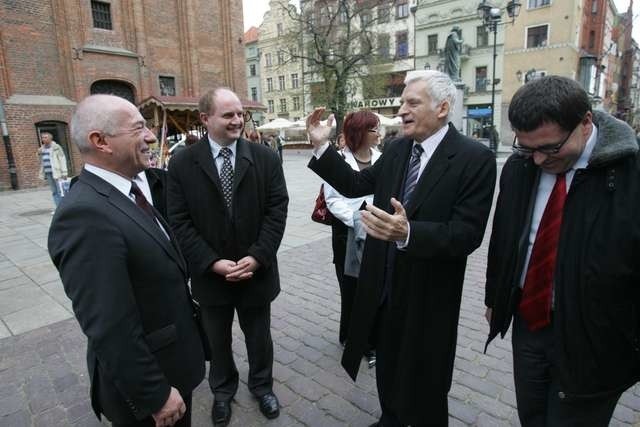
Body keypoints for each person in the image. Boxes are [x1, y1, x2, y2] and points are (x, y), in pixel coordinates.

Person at [307, 70, 496, 426]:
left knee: (427, 377)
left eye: (412, 102)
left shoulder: (475, 158)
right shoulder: (397, 149)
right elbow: (354, 183)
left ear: (442, 107)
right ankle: (390, 417)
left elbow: (467, 234)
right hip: (383, 283)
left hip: (429, 291)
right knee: (388, 364)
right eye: (401, 102)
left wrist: (409, 233)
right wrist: (321, 146)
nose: (402, 110)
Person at [484, 76, 640, 426]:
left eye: (550, 148)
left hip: (595, 338)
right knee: (533, 417)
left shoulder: (630, 172)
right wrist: (495, 296)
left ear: (585, 123)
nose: (538, 159)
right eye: (526, 147)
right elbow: (506, 237)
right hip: (529, 324)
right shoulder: (519, 165)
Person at [48, 94, 206, 427]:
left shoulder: (130, 191)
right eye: (138, 128)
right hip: (150, 394)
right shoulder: (83, 215)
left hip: (172, 362)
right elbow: (109, 324)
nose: (150, 136)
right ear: (100, 141)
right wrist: (154, 394)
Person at [167, 87, 288, 426]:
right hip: (211, 277)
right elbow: (179, 220)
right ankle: (222, 392)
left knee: (259, 338)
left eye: (240, 114)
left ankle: (262, 386)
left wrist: (258, 256)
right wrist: (211, 263)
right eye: (228, 115)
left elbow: (277, 211)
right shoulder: (181, 163)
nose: (237, 120)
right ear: (205, 119)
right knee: (217, 342)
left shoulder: (265, 158)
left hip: (256, 273)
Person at [324, 111, 382, 368]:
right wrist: (359, 220)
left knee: (372, 288)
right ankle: (350, 335)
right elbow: (333, 200)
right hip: (347, 235)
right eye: (374, 129)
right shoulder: (339, 161)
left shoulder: (382, 158)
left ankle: (369, 341)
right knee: (350, 288)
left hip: (378, 233)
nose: (378, 134)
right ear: (360, 132)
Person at [37, 131, 68, 208]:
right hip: (48, 173)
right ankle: (58, 208)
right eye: (42, 138)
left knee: (61, 191)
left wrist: (64, 172)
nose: (43, 139)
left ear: (50, 138)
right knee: (54, 191)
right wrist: (38, 154)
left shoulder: (56, 147)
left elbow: (62, 159)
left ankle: (64, 208)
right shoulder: (41, 149)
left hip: (57, 173)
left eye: (45, 137)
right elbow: (40, 161)